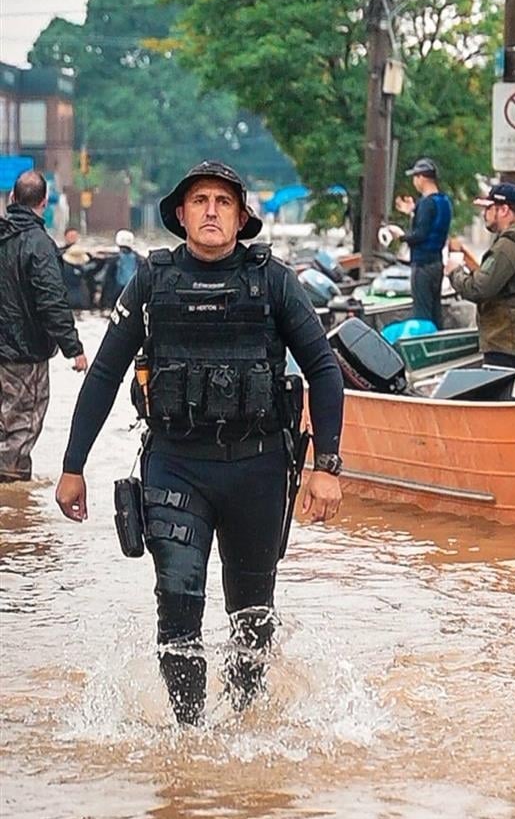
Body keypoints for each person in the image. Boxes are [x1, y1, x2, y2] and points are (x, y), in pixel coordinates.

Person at [55, 160, 345, 725]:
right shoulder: (151, 281)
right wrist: (72, 466)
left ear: (240, 216)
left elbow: (325, 370)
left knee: (252, 616)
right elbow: (104, 374)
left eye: (223, 201)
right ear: (182, 214)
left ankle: (243, 725)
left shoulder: (275, 281)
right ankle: (189, 738)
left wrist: (326, 466)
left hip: (259, 471)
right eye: (200, 201)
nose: (211, 210)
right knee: (178, 608)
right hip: (176, 469)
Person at [0, 170, 88, 482]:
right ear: (42, 203)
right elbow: (51, 299)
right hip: (25, 356)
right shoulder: (40, 245)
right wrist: (73, 348)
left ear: (12, 199)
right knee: (19, 433)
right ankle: (14, 514)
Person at [445, 182, 515, 370]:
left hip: (506, 347)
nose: (484, 214)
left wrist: (454, 272)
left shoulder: (508, 247)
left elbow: (479, 289)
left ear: (504, 210)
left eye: (489, 208)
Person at [393, 158, 453, 330]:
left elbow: (420, 235)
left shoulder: (426, 203)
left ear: (421, 178)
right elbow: (432, 227)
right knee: (436, 311)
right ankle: (439, 348)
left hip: (422, 265)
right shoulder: (444, 201)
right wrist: (413, 212)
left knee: (422, 314)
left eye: (415, 177)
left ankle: (425, 347)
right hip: (436, 263)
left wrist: (400, 235)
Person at [99, 229, 142, 310]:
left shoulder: (113, 259)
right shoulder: (139, 259)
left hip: (116, 294)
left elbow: (107, 281)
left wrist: (103, 302)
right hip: (134, 295)